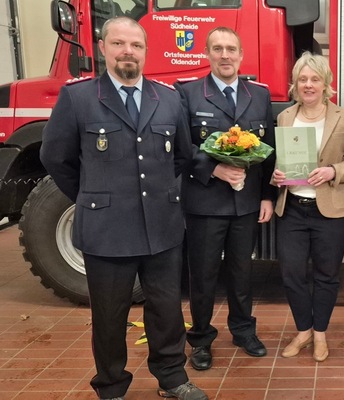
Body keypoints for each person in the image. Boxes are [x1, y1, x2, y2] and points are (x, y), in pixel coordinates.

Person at [39, 16, 207, 400]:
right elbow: (56, 158)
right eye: (118, 43)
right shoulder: (78, 97)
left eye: (136, 45)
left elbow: (181, 156)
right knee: (110, 317)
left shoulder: (167, 97)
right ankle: (112, 386)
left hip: (162, 227)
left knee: (166, 312)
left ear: (146, 52)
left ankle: (171, 379)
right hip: (107, 230)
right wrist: (92, 198)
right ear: (102, 48)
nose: (127, 51)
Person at [175, 26, 276, 371]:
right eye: (217, 49)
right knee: (202, 275)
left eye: (231, 49)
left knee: (242, 270)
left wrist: (266, 196)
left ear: (241, 54)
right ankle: (201, 339)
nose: (225, 55)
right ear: (207, 54)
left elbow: (269, 150)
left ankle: (243, 330)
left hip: (246, 203)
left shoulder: (259, 95)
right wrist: (213, 170)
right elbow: (178, 146)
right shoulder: (187, 94)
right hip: (205, 201)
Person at [272, 52, 344, 363]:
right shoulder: (285, 117)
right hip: (292, 208)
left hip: (331, 210)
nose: (308, 84)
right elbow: (278, 161)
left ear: (326, 84)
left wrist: (335, 171)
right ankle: (303, 329)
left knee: (326, 275)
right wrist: (276, 175)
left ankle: (319, 333)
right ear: (295, 83)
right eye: (303, 79)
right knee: (291, 273)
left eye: (314, 79)